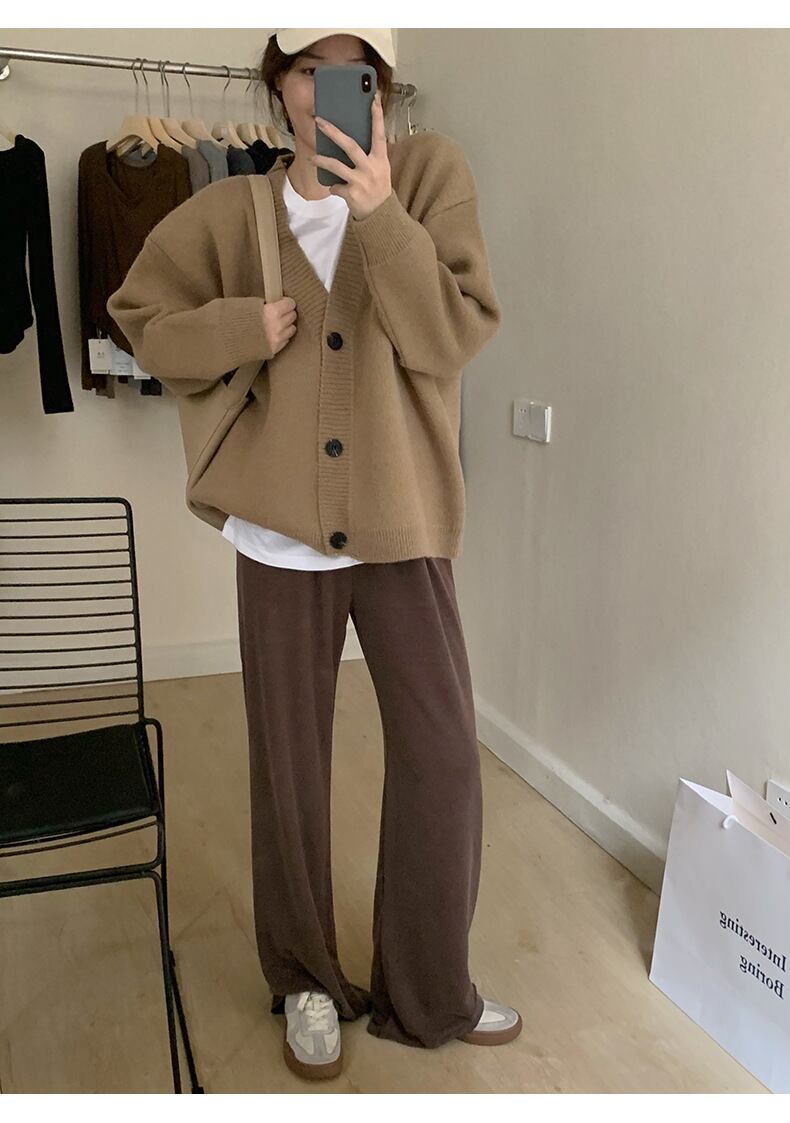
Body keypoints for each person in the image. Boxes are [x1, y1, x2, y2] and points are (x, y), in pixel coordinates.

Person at [107, 27, 519, 1081]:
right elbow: (139, 316)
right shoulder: (232, 209)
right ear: (277, 88)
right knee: (288, 771)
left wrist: (379, 215)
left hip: (401, 520)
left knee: (440, 756)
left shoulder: (429, 177)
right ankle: (304, 980)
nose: (331, 90)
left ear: (382, 88)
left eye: (355, 72)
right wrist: (239, 329)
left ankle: (430, 985)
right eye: (308, 70)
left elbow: (452, 333)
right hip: (280, 535)